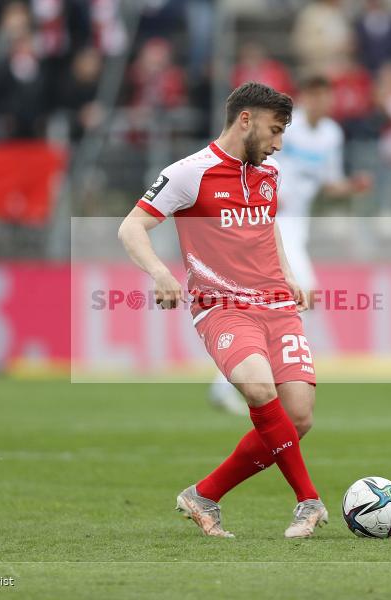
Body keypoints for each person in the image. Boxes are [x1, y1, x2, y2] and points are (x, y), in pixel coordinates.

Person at [118, 82, 327, 539]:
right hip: (222, 305)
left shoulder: (266, 175)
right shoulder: (189, 174)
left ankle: (204, 494)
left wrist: (288, 272)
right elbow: (131, 227)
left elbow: (267, 226)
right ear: (245, 120)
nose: (278, 144)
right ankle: (308, 501)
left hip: (275, 302)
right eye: (274, 132)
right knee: (256, 387)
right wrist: (160, 273)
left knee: (300, 416)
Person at [209, 75, 371, 413]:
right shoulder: (287, 131)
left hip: (297, 228)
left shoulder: (330, 135)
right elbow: (251, 160)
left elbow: (328, 184)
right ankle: (277, 377)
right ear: (305, 97)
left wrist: (351, 187)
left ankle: (232, 380)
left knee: (272, 303)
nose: (321, 103)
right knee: (303, 294)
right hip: (270, 222)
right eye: (315, 96)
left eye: (327, 97)